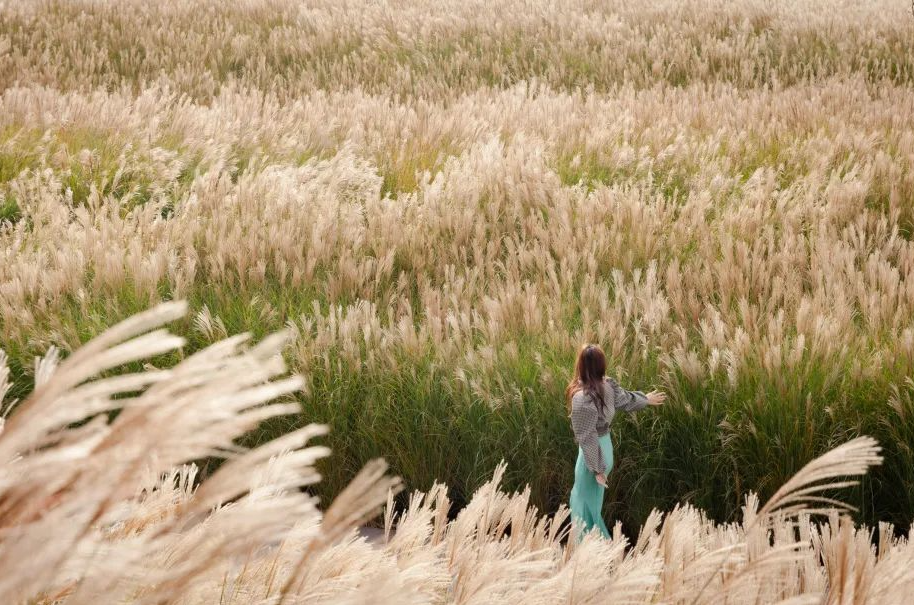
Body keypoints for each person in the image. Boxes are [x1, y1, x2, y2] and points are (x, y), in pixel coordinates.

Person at [567, 344, 666, 539]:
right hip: (605, 448)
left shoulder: (582, 398)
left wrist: (597, 469)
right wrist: (645, 398)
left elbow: (587, 437)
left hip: (594, 456)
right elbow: (626, 400)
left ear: (581, 366)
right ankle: (595, 555)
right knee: (588, 506)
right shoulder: (608, 386)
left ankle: (599, 555)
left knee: (583, 508)